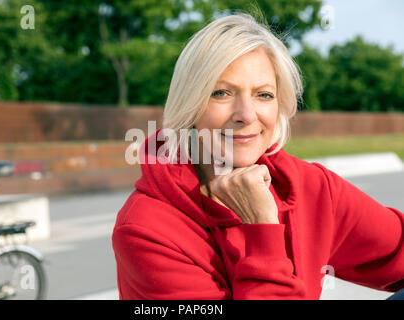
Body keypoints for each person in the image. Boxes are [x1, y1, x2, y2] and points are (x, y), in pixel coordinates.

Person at [112, 13, 404, 300]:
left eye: (263, 95)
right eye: (222, 93)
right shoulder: (146, 229)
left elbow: (397, 247)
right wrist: (263, 228)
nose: (246, 115)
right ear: (189, 104)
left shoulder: (310, 187)